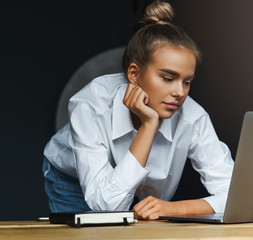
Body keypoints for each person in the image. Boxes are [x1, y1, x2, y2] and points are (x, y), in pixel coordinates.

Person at [42, 0, 234, 220]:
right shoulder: (91, 105)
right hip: (74, 182)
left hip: (143, 192)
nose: (180, 92)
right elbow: (108, 207)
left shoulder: (193, 116)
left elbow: (234, 193)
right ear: (134, 74)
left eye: (187, 81)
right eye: (168, 78)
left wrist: (175, 208)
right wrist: (148, 126)